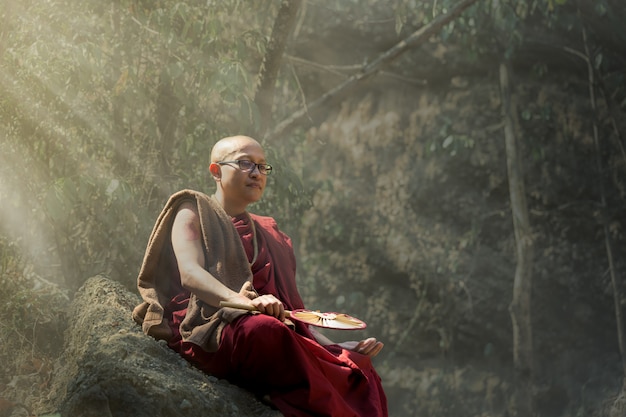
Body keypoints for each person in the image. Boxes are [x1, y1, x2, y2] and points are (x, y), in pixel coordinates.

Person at [133, 135, 388, 417]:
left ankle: (285, 385)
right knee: (264, 331)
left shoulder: (269, 233)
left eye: (262, 166)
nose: (256, 173)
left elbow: (290, 312)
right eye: (245, 163)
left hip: (272, 328)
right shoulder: (193, 209)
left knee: (358, 366)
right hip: (212, 324)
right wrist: (246, 303)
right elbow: (191, 274)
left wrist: (335, 347)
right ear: (216, 171)